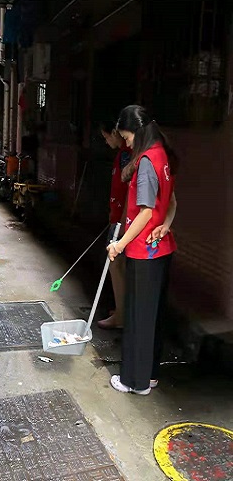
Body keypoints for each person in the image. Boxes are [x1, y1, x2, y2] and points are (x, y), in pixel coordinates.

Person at [107, 105, 177, 395]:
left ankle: (134, 382)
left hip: (143, 251)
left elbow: (146, 212)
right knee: (154, 316)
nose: (126, 143)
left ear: (137, 131)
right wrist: (167, 225)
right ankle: (149, 376)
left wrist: (120, 244)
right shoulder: (162, 155)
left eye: (127, 137)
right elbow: (171, 202)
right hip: (161, 249)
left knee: (137, 317)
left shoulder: (147, 161)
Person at [97, 121, 131, 330]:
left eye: (106, 137)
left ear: (115, 132)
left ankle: (121, 316)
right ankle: (122, 309)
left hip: (122, 221)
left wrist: (121, 219)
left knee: (116, 265)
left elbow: (129, 191)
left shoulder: (127, 155)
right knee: (118, 265)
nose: (106, 141)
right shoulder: (124, 153)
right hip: (118, 217)